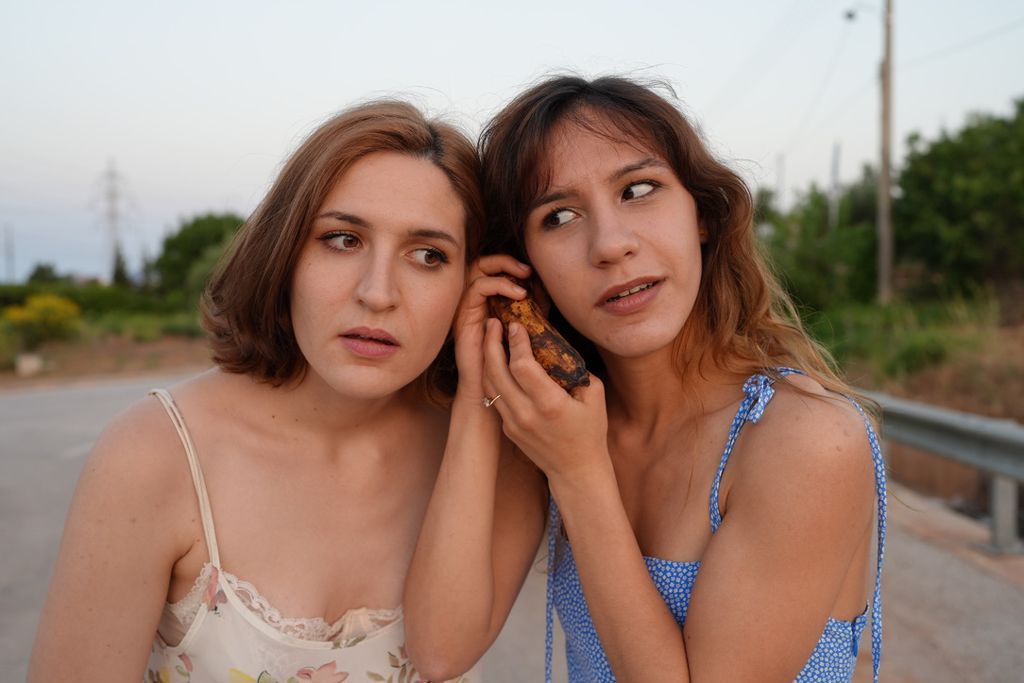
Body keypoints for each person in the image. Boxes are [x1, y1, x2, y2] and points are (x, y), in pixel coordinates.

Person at [404, 75, 886, 683]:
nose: (610, 245)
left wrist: (581, 475)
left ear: (701, 214)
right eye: (558, 216)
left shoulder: (805, 440)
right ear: (525, 269)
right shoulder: (561, 425)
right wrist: (482, 380)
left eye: (638, 190)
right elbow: (440, 650)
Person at [28, 100, 497, 683]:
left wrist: (480, 393)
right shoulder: (155, 454)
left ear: (472, 281)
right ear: (285, 252)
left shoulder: (479, 447)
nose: (378, 293)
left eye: (428, 256)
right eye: (343, 239)